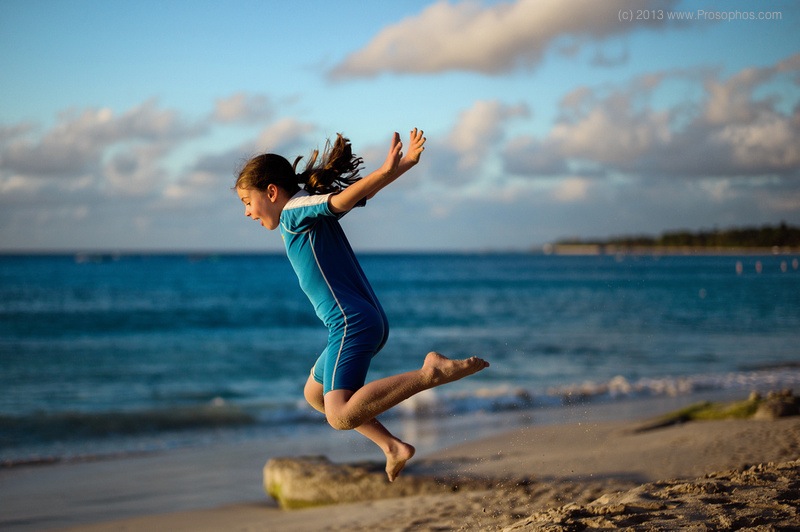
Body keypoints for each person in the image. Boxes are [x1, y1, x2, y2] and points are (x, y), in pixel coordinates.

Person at [234, 128, 489, 481]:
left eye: (247, 202)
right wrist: (405, 165)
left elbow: (342, 200)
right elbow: (354, 196)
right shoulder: (304, 212)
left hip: (350, 323)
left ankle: (429, 373)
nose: (247, 212)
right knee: (315, 394)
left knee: (339, 416)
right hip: (365, 320)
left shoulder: (294, 212)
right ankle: (392, 446)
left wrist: (386, 170)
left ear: (272, 192)